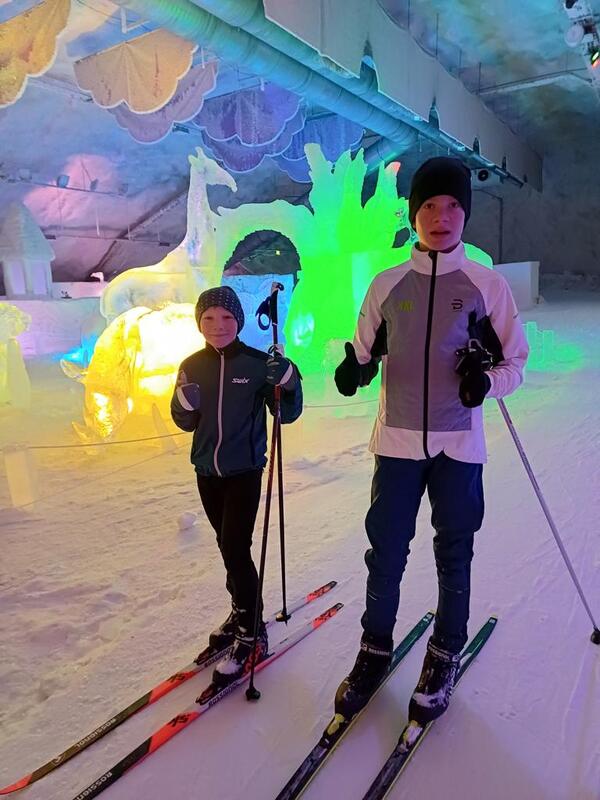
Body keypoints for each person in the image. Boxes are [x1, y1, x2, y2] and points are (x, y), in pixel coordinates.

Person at [333, 157, 529, 726]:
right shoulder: (388, 284)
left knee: (454, 550)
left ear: (465, 214)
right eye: (429, 207)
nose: (441, 217)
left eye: (452, 207)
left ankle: (445, 652)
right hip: (396, 443)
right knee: (386, 552)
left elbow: (515, 363)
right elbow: (362, 352)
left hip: (459, 446)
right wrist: (354, 371)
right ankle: (374, 650)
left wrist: (485, 383)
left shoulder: (487, 286)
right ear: (413, 214)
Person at [171, 286, 302, 687]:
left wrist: (289, 382)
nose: (218, 325)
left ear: (239, 321)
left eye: (227, 317)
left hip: (244, 471)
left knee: (234, 547)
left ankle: (251, 631)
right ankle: (241, 610)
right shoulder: (191, 365)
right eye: (209, 318)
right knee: (226, 546)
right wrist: (183, 405)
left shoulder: (258, 363)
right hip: (206, 472)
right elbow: (185, 422)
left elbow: (286, 413)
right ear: (199, 322)